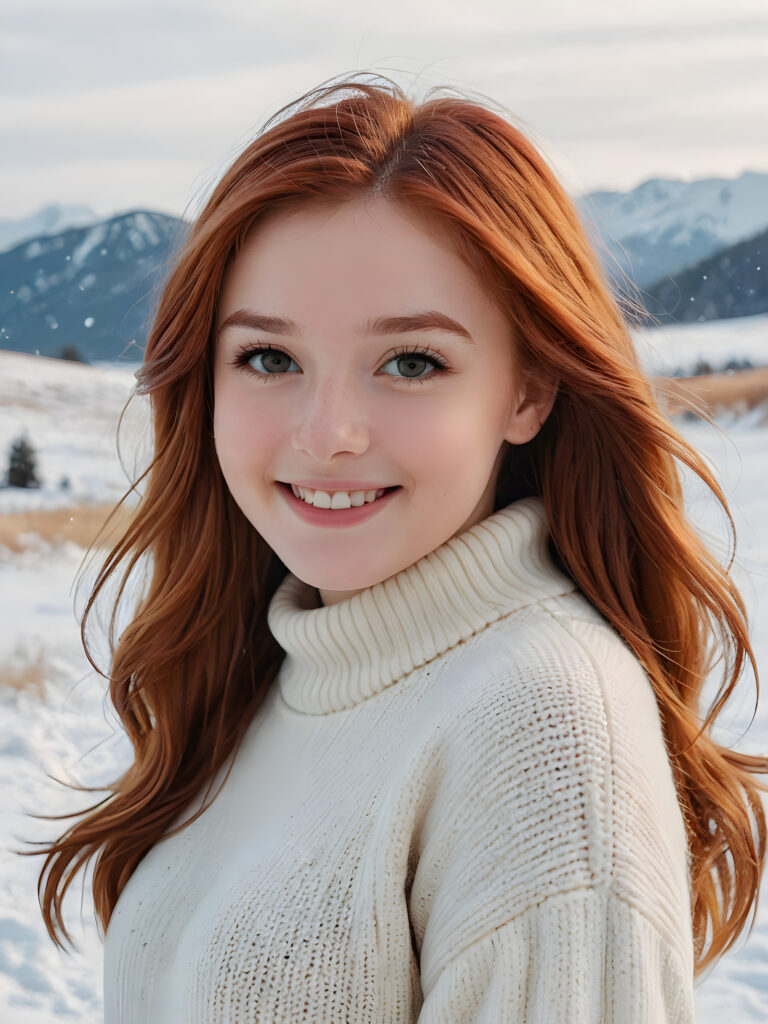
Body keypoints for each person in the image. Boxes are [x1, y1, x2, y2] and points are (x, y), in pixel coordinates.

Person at [29, 72, 767, 1021]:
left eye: (412, 362)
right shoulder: (286, 662)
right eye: (269, 358)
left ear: (527, 392)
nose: (328, 431)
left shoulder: (541, 731)